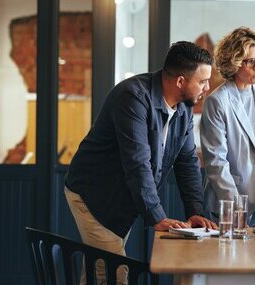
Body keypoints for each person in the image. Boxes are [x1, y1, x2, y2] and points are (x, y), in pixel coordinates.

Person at [64, 41, 217, 284]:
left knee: (98, 270)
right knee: (113, 273)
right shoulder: (132, 97)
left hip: (122, 195)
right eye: (202, 81)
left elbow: (187, 161)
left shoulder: (183, 108)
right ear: (180, 81)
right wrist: (157, 216)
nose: (207, 88)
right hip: (92, 193)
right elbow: (138, 161)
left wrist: (195, 212)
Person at [200, 27, 255, 225]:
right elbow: (216, 163)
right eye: (250, 61)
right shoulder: (217, 101)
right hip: (229, 205)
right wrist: (236, 208)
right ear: (233, 63)